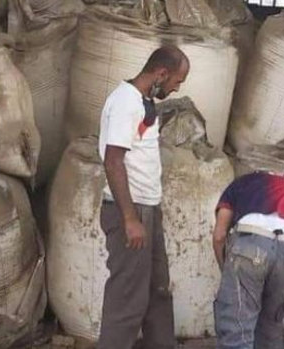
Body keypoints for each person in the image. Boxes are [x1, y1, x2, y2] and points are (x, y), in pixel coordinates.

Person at [97, 45, 190, 349]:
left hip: (148, 208)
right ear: (161, 73)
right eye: (177, 81)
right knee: (128, 299)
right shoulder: (126, 102)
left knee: (158, 290)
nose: (177, 88)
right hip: (130, 210)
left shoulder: (143, 102)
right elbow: (113, 160)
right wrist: (129, 218)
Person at [212, 170, 284, 349]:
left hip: (252, 244)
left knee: (237, 332)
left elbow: (219, 236)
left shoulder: (239, 184)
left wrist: (227, 271)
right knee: (270, 331)